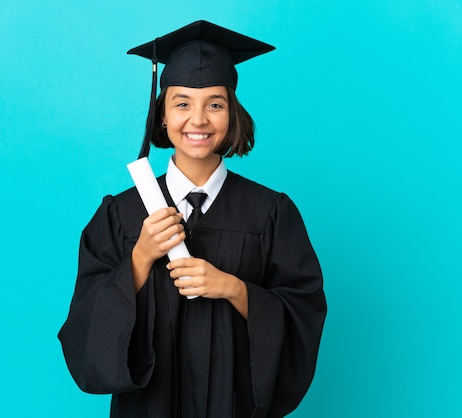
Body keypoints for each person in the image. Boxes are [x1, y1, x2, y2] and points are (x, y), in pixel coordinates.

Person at [58, 20, 327, 418]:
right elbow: (84, 324)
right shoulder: (121, 214)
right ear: (162, 116)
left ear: (232, 114)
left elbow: (302, 313)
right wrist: (139, 259)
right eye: (181, 103)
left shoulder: (271, 212)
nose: (198, 120)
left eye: (215, 104)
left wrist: (235, 288)